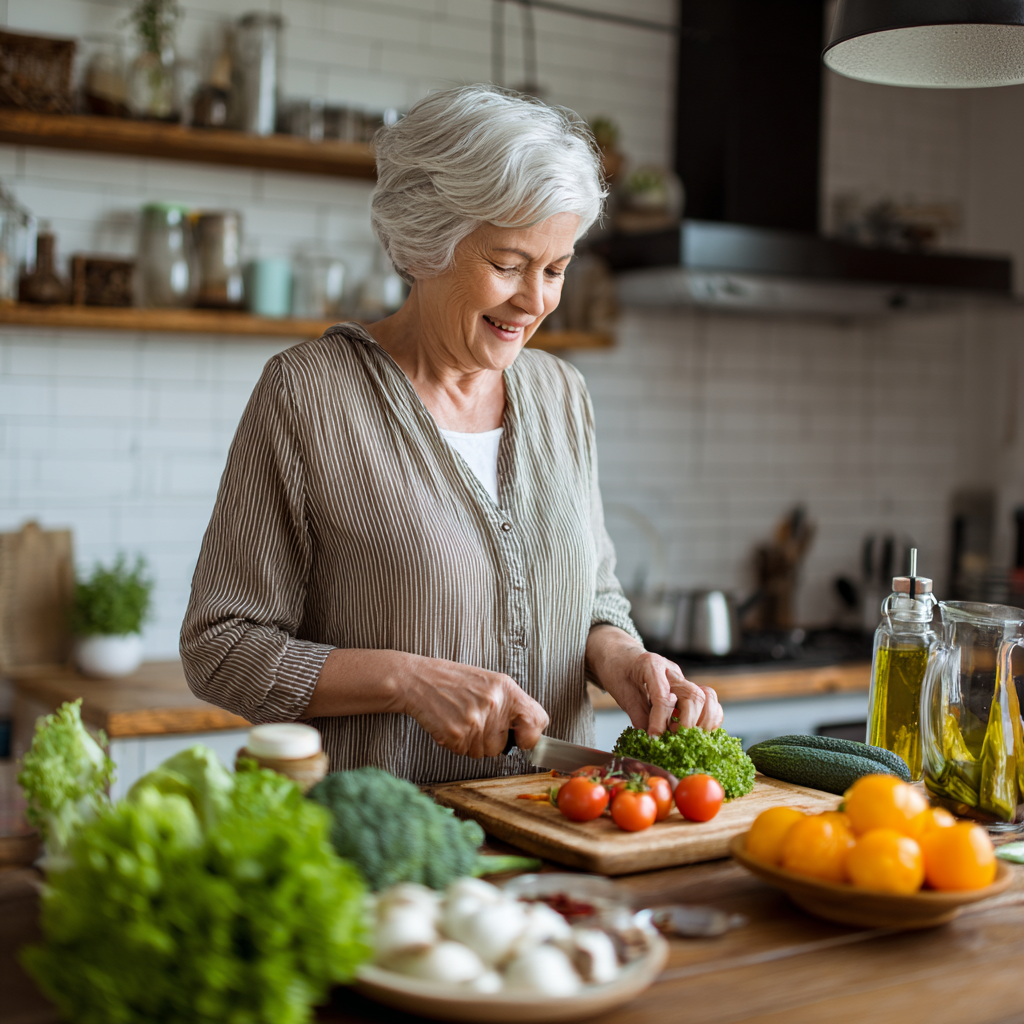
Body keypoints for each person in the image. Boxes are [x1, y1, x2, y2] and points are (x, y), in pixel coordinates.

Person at [181, 85, 722, 784]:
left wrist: (621, 657)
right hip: (382, 855)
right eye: (508, 265)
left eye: (556, 269)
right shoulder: (309, 395)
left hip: (562, 839)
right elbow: (221, 649)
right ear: (425, 243)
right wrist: (407, 681)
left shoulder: (562, 395)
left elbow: (592, 595)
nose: (535, 303)